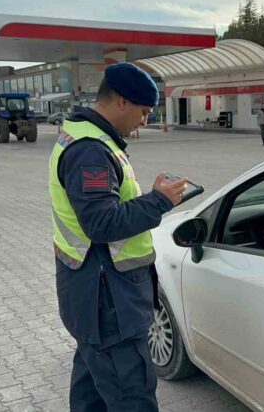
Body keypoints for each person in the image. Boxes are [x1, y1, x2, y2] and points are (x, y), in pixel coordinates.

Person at [49, 62, 187, 411]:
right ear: (122, 102)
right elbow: (101, 223)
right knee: (132, 399)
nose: (145, 120)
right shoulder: (90, 151)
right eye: (143, 112)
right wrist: (159, 201)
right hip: (109, 304)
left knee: (91, 394)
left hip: (92, 299)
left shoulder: (87, 137)